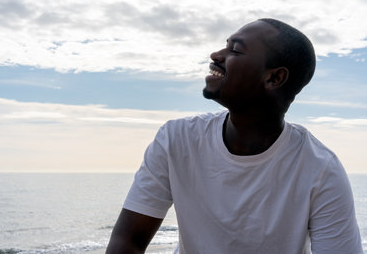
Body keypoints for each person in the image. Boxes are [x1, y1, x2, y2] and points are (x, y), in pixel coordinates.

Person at [106, 19, 363, 253]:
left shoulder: (320, 169)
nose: (216, 55)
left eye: (235, 50)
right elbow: (128, 242)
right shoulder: (177, 140)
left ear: (274, 78)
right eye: (225, 46)